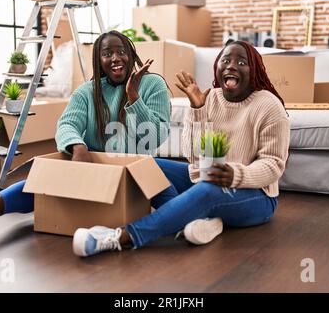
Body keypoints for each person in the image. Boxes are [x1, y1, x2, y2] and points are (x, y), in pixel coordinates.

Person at [0, 31, 171, 242]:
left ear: (131, 54)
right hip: (92, 168)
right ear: (98, 61)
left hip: (135, 172)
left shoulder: (152, 84)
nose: (115, 58)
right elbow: (67, 124)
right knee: (47, 177)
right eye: (107, 53)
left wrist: (133, 96)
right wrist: (78, 147)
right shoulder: (88, 91)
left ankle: (190, 216)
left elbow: (155, 135)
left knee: (169, 195)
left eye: (121, 51)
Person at [71, 40, 290, 257]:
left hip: (257, 196)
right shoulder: (209, 98)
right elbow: (193, 156)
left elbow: (273, 165)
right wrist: (197, 109)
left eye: (241, 62)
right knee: (146, 166)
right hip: (207, 179)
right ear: (217, 67)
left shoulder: (269, 106)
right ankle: (198, 221)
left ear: (254, 71)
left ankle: (121, 237)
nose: (231, 65)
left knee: (208, 191)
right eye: (225, 60)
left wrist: (236, 174)